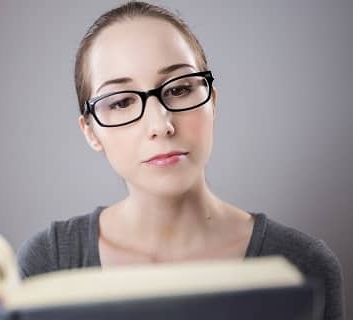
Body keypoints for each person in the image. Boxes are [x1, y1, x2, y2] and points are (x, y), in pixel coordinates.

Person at [18, 1, 345, 319]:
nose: (161, 125)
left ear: (212, 102)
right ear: (90, 131)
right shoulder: (51, 261)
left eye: (179, 89)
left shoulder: (303, 265)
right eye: (120, 103)